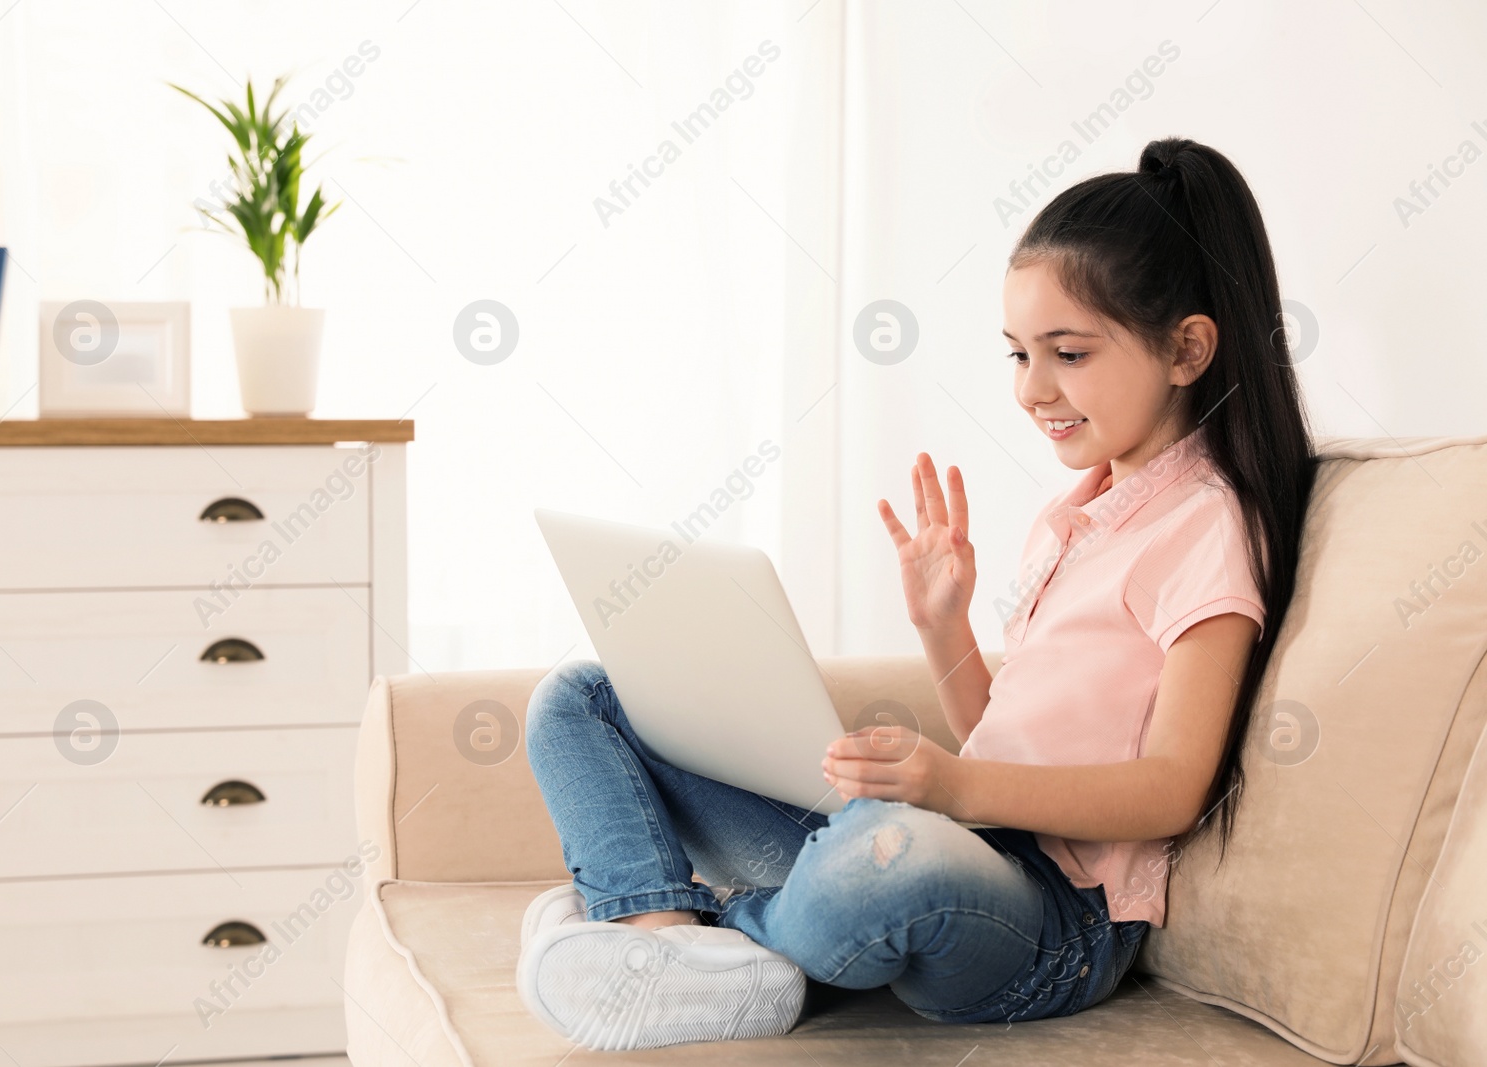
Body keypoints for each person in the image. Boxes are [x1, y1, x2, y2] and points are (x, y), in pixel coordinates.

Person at [515, 136, 1316, 1052]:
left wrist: (952, 786)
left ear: (1188, 349)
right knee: (578, 697)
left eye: (1069, 353)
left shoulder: (1208, 528)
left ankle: (684, 936)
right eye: (1017, 354)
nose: (1032, 389)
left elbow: (1173, 788)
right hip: (962, 839)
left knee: (887, 857)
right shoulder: (1076, 515)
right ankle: (659, 937)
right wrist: (943, 626)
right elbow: (1000, 733)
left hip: (1056, 917)